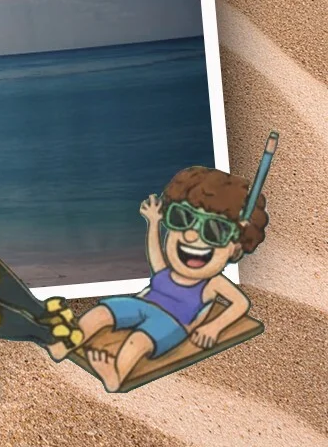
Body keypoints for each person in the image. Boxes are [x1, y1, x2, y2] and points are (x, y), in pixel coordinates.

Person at [50, 162, 267, 391]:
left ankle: (116, 375)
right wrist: (153, 222)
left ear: (235, 249)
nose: (191, 236)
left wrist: (212, 327)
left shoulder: (212, 283)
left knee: (138, 341)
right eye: (182, 218)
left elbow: (240, 303)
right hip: (142, 305)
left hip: (172, 322)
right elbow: (155, 254)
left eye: (214, 230)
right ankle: (65, 344)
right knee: (101, 313)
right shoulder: (168, 271)